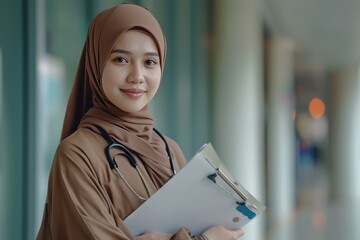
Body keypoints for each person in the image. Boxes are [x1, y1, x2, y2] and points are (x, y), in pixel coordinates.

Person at [37, 3, 244, 240]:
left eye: (149, 62)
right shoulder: (77, 155)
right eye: (121, 60)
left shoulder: (169, 150)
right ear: (96, 63)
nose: (137, 76)